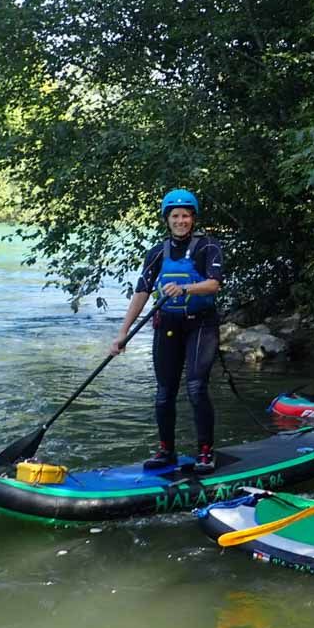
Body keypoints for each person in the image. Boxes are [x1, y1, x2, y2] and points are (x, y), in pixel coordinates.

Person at [110, 189, 223, 473]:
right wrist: (123, 333)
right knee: (164, 392)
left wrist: (185, 288)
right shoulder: (157, 252)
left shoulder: (208, 246)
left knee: (196, 387)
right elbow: (142, 291)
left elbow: (214, 284)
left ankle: (205, 451)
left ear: (193, 218)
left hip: (201, 324)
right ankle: (166, 451)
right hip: (168, 325)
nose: (180, 220)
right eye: (175, 216)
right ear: (167, 219)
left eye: (185, 215)